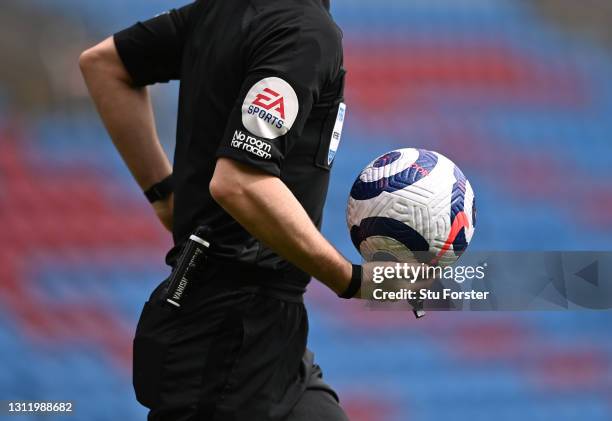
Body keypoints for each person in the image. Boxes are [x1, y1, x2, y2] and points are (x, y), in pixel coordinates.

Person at [80, 0, 420, 419]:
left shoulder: (221, 9)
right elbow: (240, 182)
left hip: (268, 332)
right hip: (227, 335)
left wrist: (164, 194)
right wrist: (350, 279)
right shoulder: (304, 30)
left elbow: (105, 65)